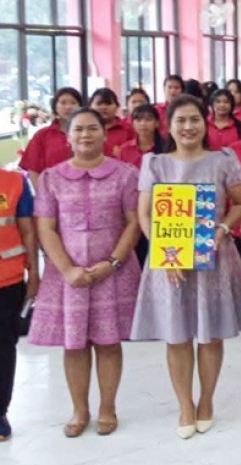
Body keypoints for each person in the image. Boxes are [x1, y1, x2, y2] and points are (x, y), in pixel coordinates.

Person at [130, 95, 241, 439]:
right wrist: (165, 253)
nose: (188, 127)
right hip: (170, 262)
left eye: (194, 119)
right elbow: (144, 214)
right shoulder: (155, 163)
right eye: (180, 120)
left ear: (205, 122)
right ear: (169, 126)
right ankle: (185, 404)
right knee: (177, 334)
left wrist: (222, 229)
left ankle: (207, 401)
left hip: (213, 259)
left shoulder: (222, 160)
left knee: (210, 333)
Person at [28, 108, 141, 437]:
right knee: (74, 344)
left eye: (93, 128)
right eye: (78, 129)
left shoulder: (126, 175)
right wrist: (68, 269)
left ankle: (108, 408)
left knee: (108, 343)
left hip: (114, 272)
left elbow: (134, 222)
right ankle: (79, 410)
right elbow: (46, 228)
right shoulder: (51, 178)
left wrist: (113, 262)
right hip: (68, 275)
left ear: (105, 134)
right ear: (68, 137)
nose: (85, 135)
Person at [0, 165, 37, 442]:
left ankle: (0, 412)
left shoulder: (14, 183)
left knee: (3, 348)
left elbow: (28, 231)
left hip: (7, 282)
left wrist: (34, 272)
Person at [19, 87, 83, 187]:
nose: (68, 107)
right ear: (55, 106)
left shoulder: (88, 134)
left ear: (80, 106)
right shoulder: (42, 135)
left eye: (73, 103)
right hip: (51, 192)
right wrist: (42, 192)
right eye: (63, 103)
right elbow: (33, 169)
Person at [116, 104, 164, 169]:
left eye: (148, 119)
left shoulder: (166, 148)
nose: (143, 124)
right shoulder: (125, 149)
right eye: (138, 120)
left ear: (157, 123)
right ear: (132, 124)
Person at [90, 89, 134, 158]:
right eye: (99, 104)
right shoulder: (84, 130)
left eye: (108, 104)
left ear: (117, 106)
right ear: (90, 106)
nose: (104, 107)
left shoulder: (129, 129)